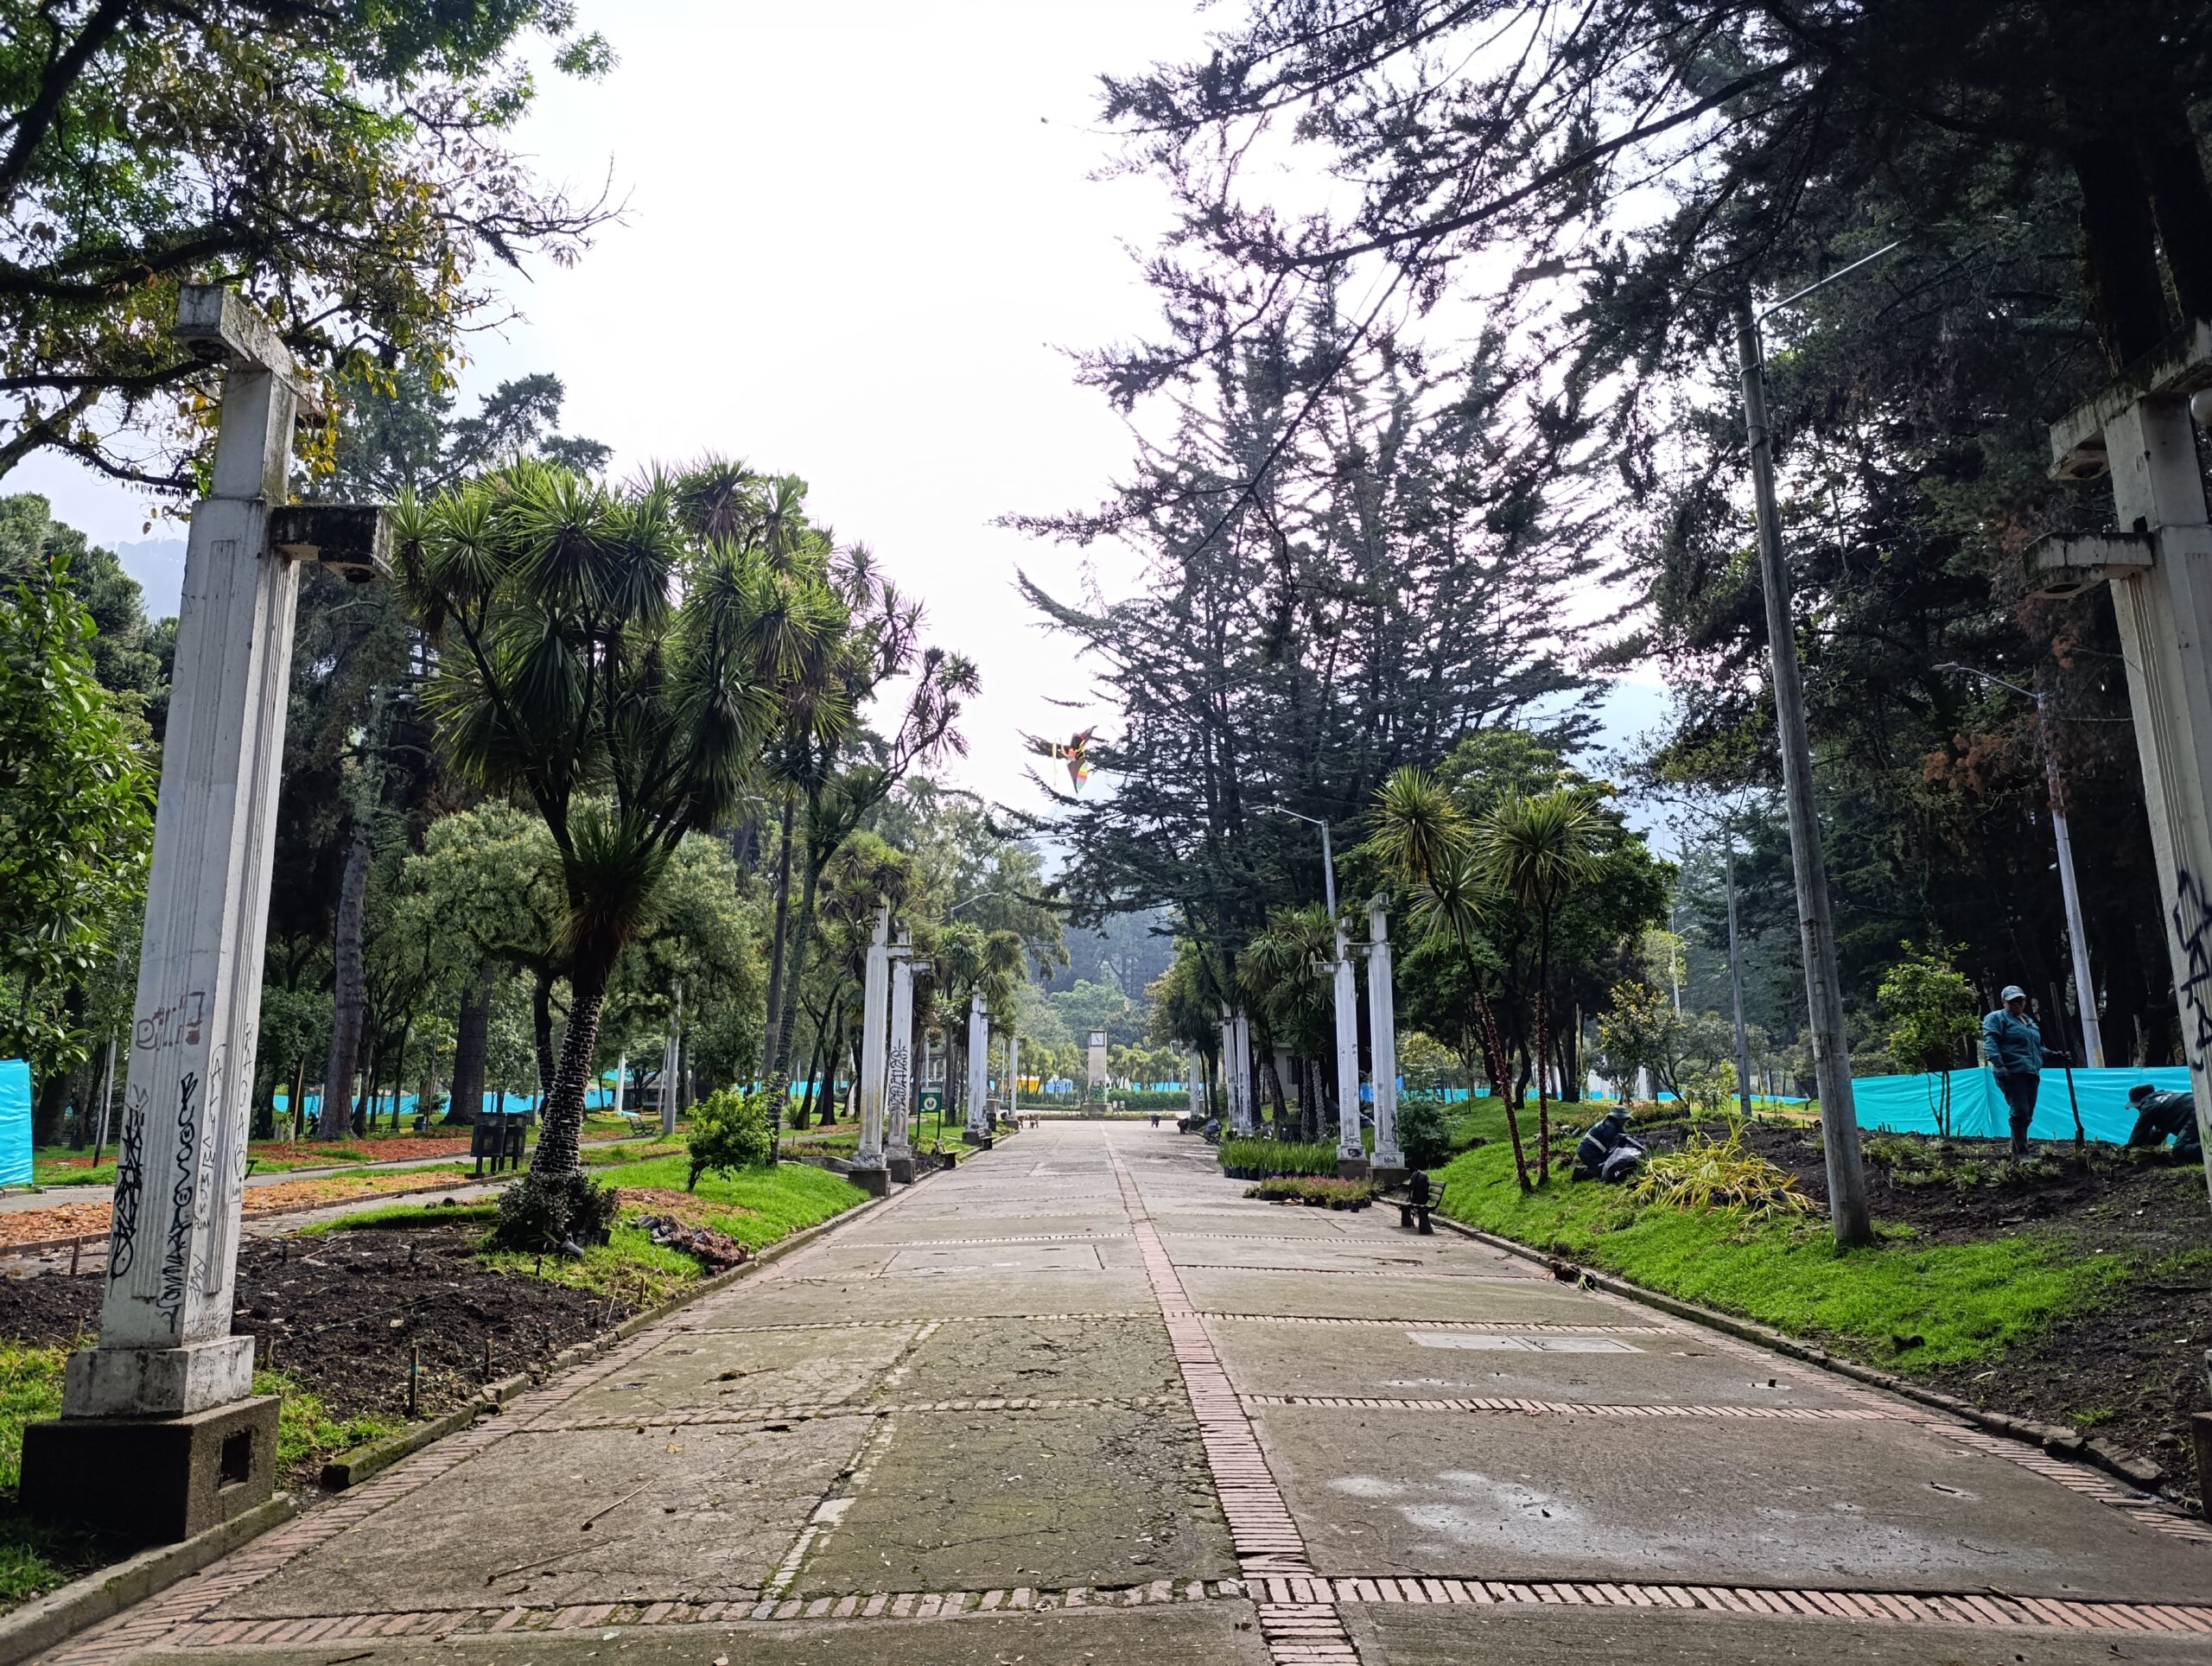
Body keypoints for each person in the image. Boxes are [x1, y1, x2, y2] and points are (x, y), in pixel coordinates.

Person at [1981, 985, 2044, 1155]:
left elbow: (2035, 1048)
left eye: (2020, 1000)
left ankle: (2015, 1153)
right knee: (2020, 1111)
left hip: (2031, 1072)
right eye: (2012, 1001)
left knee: (2027, 1114)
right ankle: (2022, 1152)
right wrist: (1999, 1065)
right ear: (2004, 1002)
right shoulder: (1996, 1018)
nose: (2017, 1004)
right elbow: (1991, 1043)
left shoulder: (2028, 1021)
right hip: (2012, 1072)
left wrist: (2055, 1055)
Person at [2126, 1083, 2205, 1162]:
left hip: (2195, 1113)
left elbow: (2138, 1132)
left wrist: (2128, 1149)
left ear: (2140, 1103)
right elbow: (2158, 1135)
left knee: (2179, 1150)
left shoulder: (2149, 1105)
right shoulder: (2167, 1097)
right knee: (2196, 1142)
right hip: (2204, 1106)